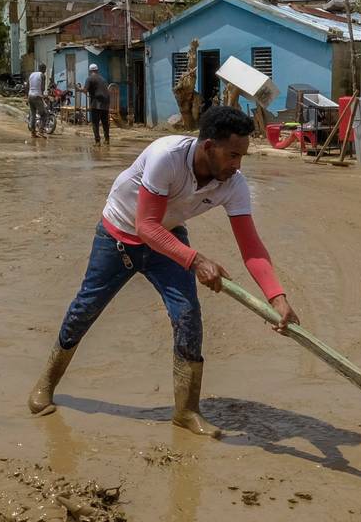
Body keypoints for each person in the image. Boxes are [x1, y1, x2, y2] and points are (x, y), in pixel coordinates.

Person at [28, 106, 300, 438]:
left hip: (168, 241)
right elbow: (145, 227)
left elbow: (252, 248)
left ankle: (186, 411)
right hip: (118, 237)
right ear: (208, 146)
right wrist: (197, 261)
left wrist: (278, 298)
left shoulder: (233, 184)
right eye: (232, 155)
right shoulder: (166, 156)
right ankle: (46, 384)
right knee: (85, 308)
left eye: (242, 156)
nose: (237, 165)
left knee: (188, 315)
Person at [84, 63, 112, 145]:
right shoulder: (103, 79)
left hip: (96, 104)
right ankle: (107, 140)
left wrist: (79, 89)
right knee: (105, 123)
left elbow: (85, 90)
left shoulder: (89, 79)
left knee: (95, 123)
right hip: (105, 104)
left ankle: (97, 141)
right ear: (97, 70)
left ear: (90, 71)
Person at [26, 64, 49, 137]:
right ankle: (41, 131)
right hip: (37, 96)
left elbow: (27, 86)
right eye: (45, 69)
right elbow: (42, 88)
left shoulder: (32, 74)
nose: (45, 71)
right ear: (43, 69)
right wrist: (42, 95)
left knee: (33, 114)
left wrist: (27, 95)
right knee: (44, 114)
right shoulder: (42, 75)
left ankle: (33, 132)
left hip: (30, 96)